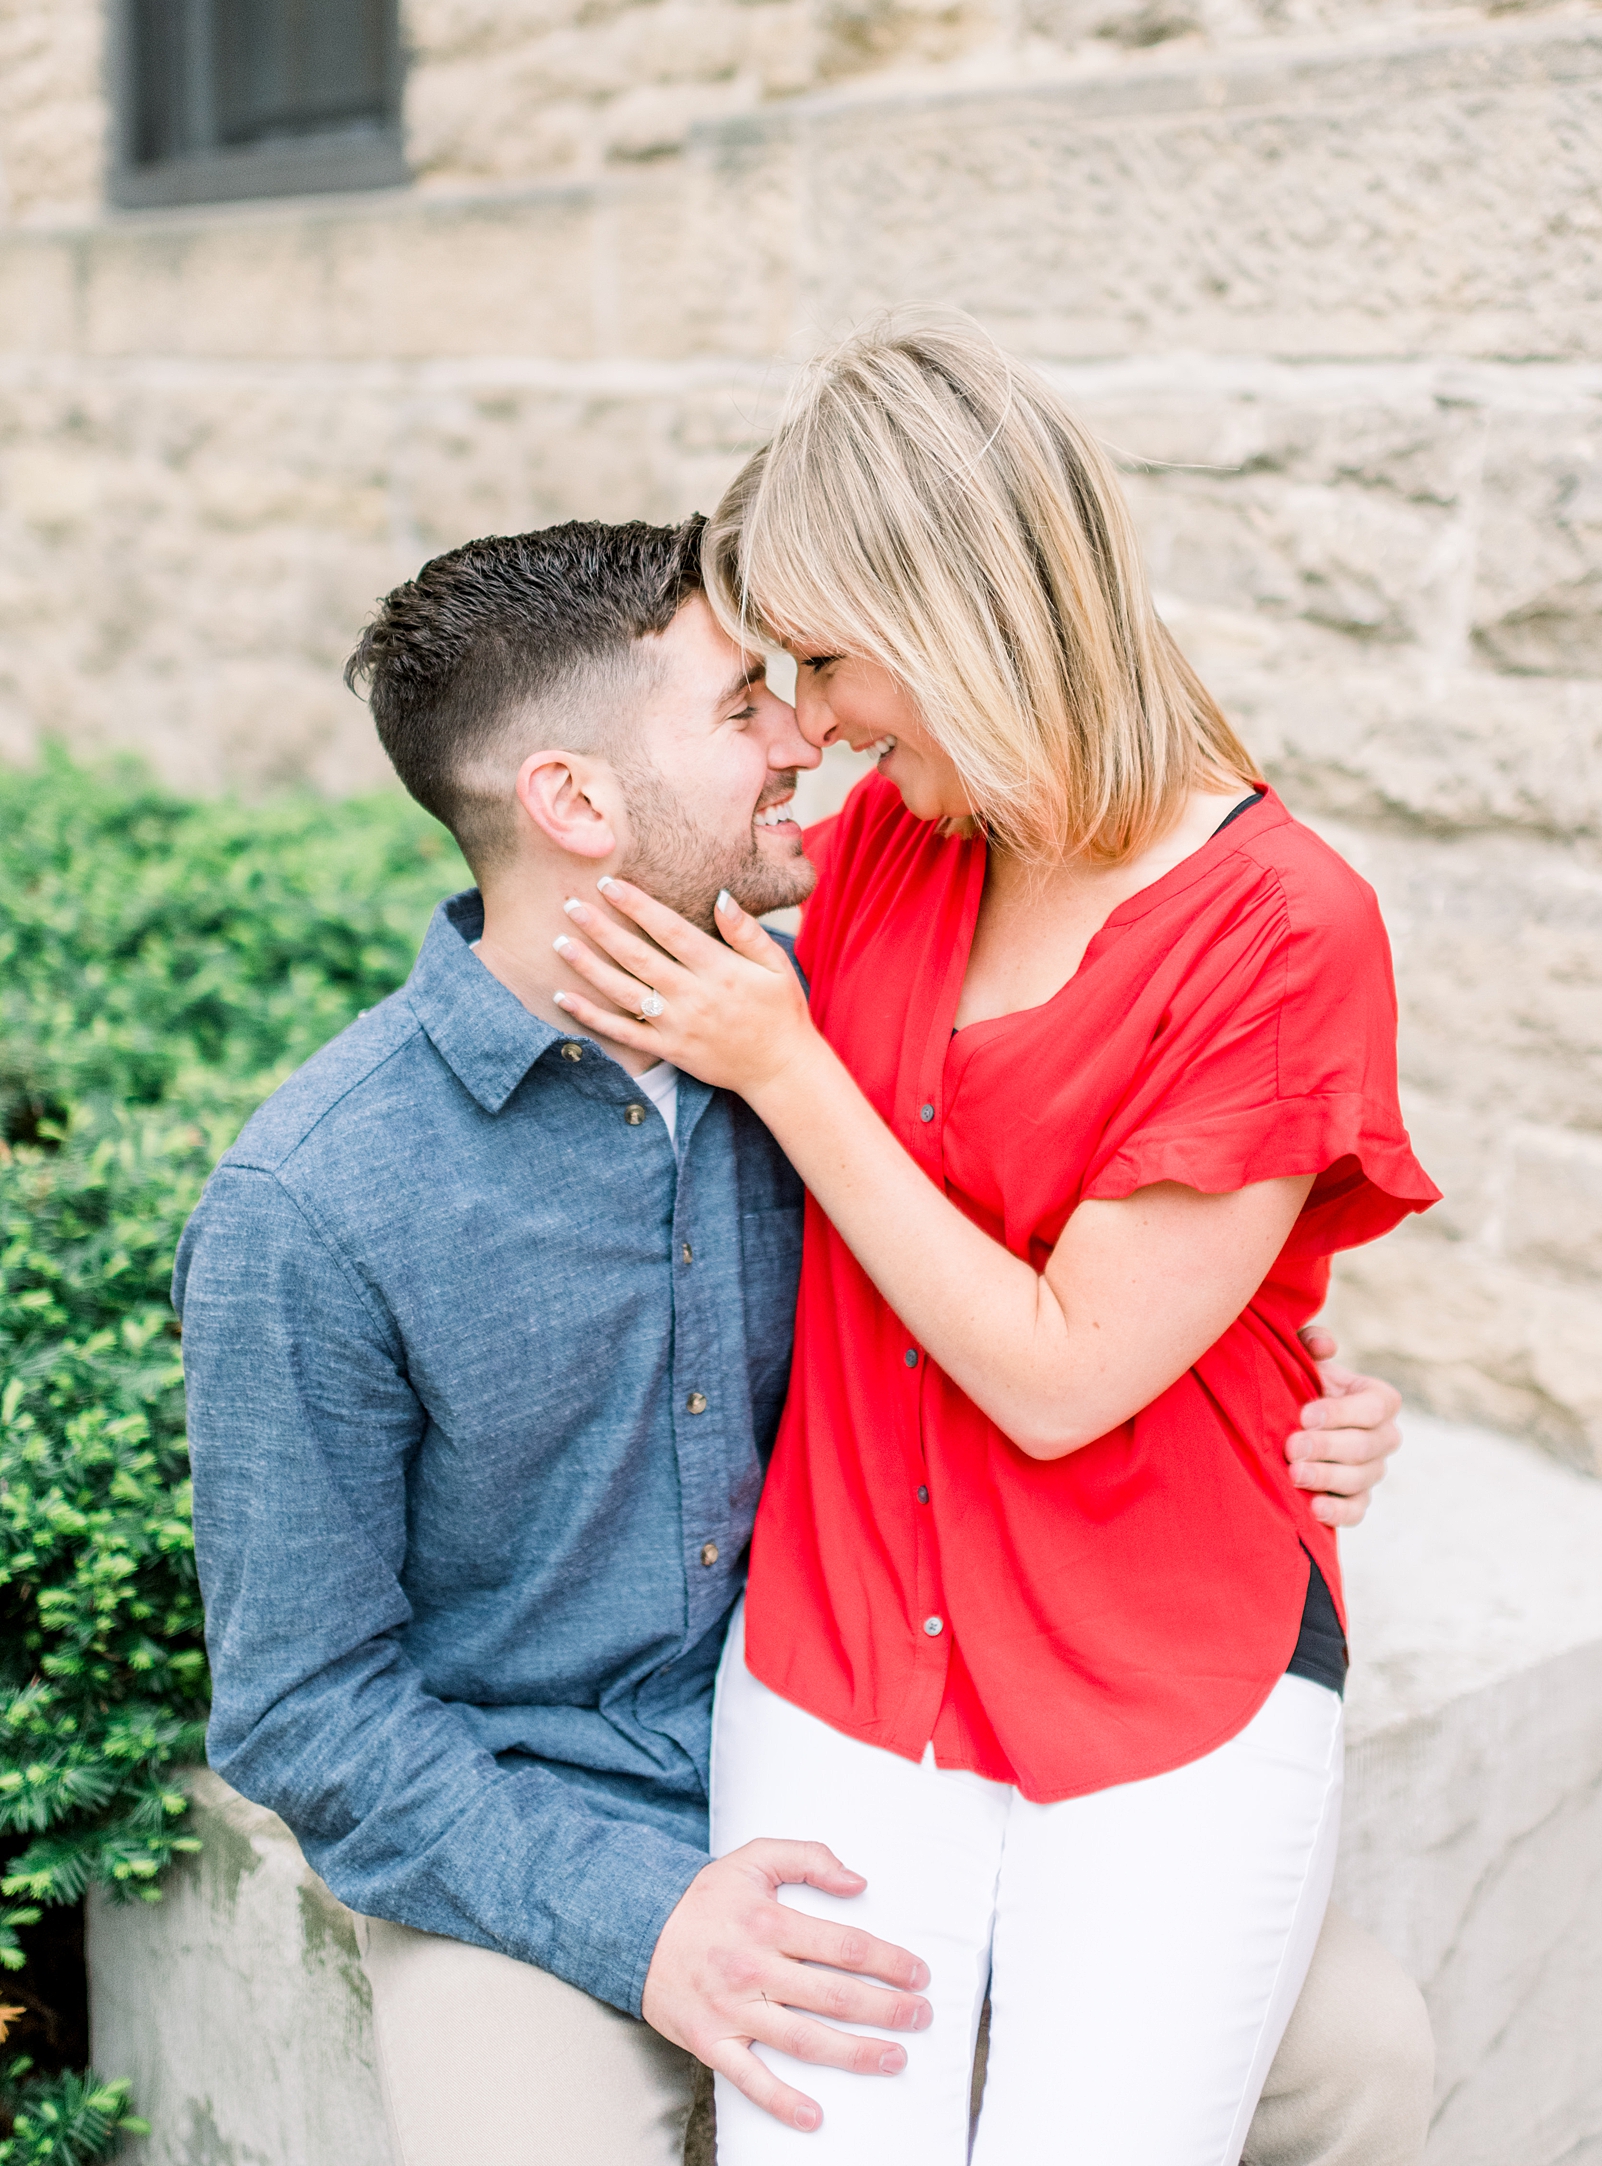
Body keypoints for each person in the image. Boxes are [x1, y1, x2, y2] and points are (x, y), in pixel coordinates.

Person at [177, 517, 1428, 2166]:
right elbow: (302, 1711)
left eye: (797, 683)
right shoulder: (316, 1200)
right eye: (740, 706)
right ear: (574, 802)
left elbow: (1083, 1264)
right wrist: (640, 1919)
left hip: (924, 1724)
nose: (801, 735)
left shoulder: (835, 1023)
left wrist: (1285, 1389)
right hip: (549, 1814)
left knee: (1358, 2057)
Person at [545, 322, 1442, 2166]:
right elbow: (578, 827)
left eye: (825, 662)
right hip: (844, 1636)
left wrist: (790, 1070)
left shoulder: (1280, 928)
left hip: (1163, 1662)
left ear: (960, 620)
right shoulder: (883, 842)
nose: (805, 723)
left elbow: (1056, 1377)